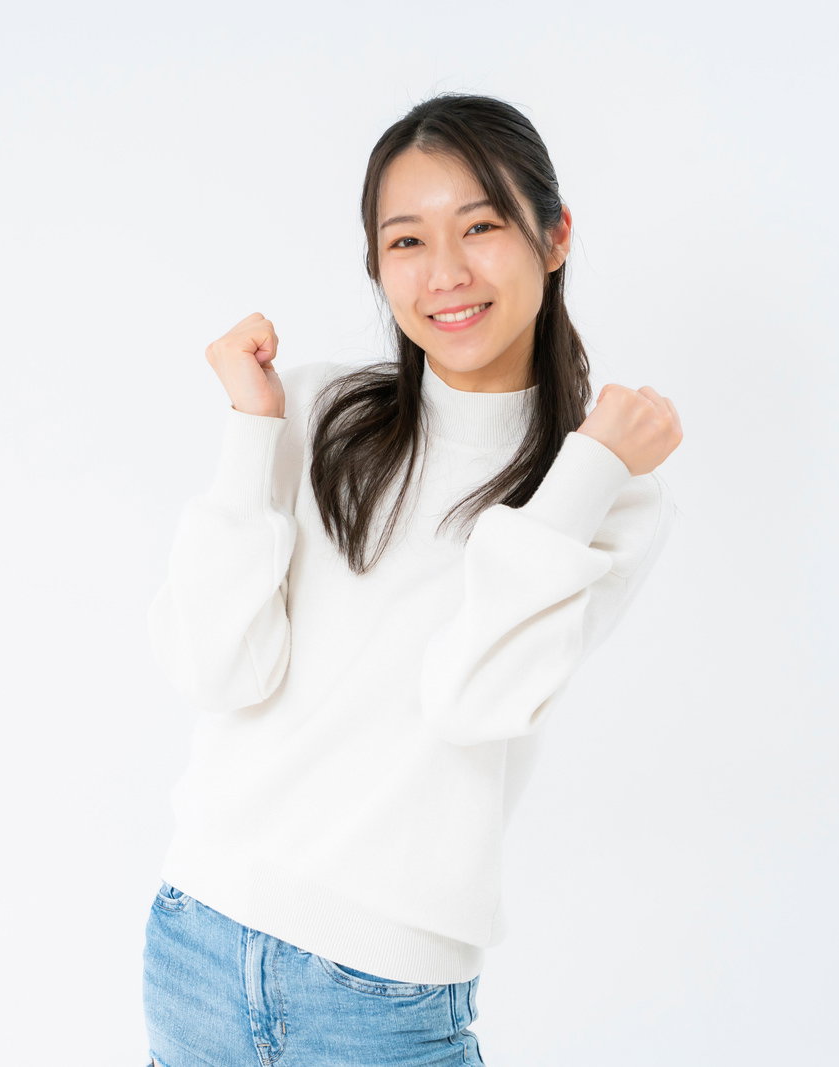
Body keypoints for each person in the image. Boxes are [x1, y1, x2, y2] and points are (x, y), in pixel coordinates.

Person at [140, 91, 682, 1067]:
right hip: (198, 943)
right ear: (376, 264)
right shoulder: (315, 409)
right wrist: (250, 431)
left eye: (481, 226)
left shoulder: (605, 492)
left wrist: (589, 466)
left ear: (555, 235)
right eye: (406, 241)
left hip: (381, 995)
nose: (446, 273)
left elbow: (473, 697)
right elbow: (216, 668)